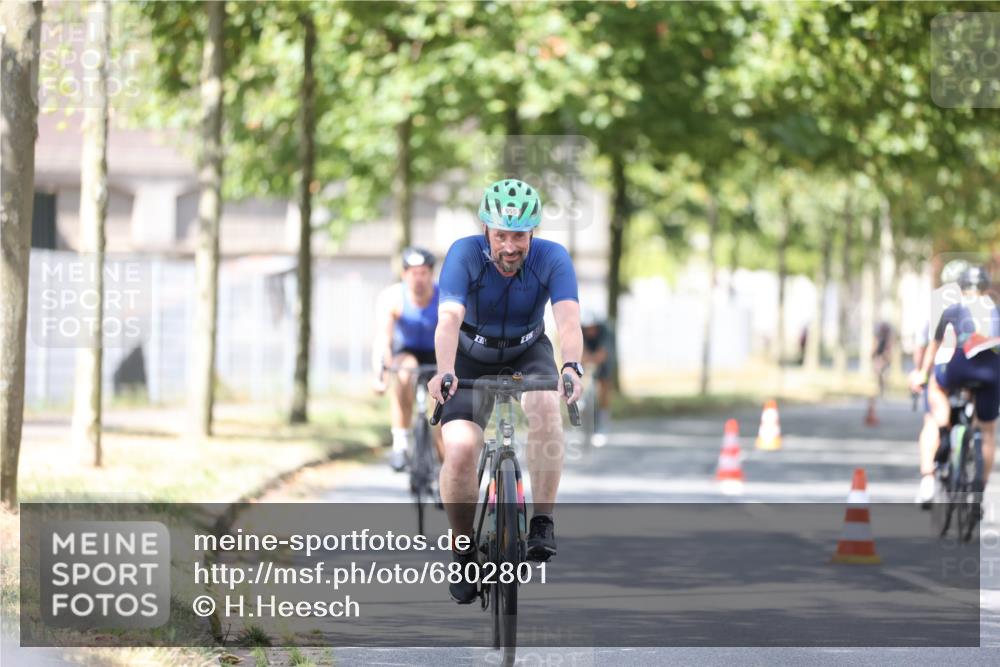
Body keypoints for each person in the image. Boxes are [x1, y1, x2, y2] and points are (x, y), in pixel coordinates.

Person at [428, 178, 583, 604]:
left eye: (519, 235)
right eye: (501, 235)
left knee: (547, 408)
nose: (510, 246)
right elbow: (449, 318)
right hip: (467, 356)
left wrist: (571, 366)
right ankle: (462, 551)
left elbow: (568, 320)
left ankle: (542, 522)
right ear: (486, 230)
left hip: (527, 350)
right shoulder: (464, 253)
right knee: (459, 449)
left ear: (533, 231)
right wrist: (444, 370)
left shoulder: (553, 258)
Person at [910, 265, 1000, 506]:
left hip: (956, 367)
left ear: (960, 288)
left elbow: (933, 345)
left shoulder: (952, 308)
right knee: (988, 431)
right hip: (991, 372)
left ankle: (929, 477)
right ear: (986, 288)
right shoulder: (996, 310)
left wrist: (922, 374)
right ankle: (977, 492)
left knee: (936, 400)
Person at [372, 247, 439, 472]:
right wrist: (380, 376)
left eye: (423, 273)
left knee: (442, 400)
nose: (418, 279)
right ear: (404, 274)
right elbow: (383, 339)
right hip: (406, 351)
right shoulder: (392, 297)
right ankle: (400, 443)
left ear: (431, 274)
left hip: (437, 352)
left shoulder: (444, 296)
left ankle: (445, 466)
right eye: (413, 273)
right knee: (403, 371)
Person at [580, 308, 613, 447]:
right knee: (581, 376)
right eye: (587, 328)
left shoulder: (606, 332)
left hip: (604, 360)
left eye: (592, 328)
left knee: (604, 385)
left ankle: (603, 421)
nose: (590, 331)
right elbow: (580, 353)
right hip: (589, 357)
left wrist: (591, 359)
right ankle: (581, 402)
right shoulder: (580, 332)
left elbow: (603, 354)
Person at [864, 321, 894, 426]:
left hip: (883, 359)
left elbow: (888, 350)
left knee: (882, 376)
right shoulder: (878, 338)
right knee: (877, 377)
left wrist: (886, 358)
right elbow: (874, 348)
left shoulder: (886, 339)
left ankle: (881, 390)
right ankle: (877, 391)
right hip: (879, 359)